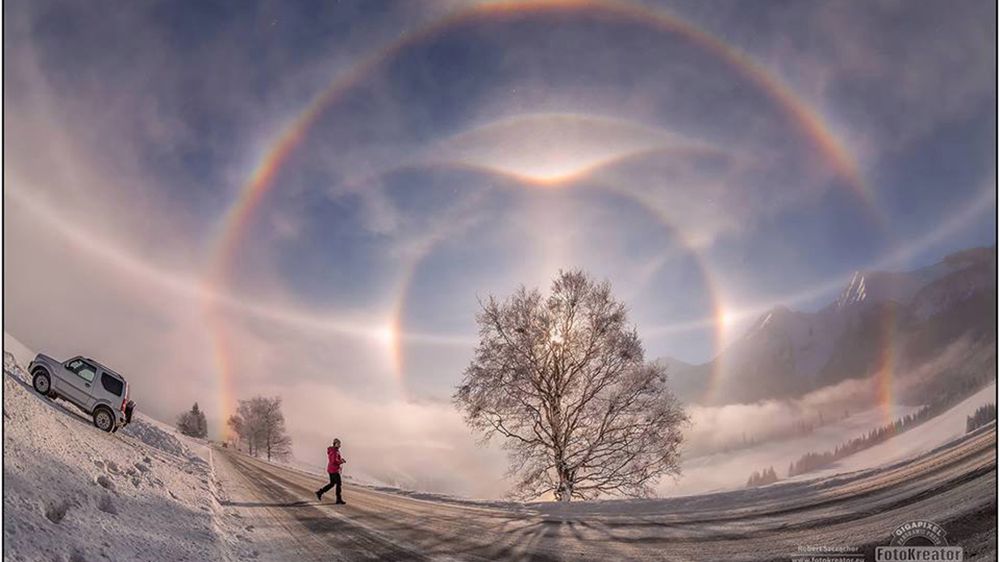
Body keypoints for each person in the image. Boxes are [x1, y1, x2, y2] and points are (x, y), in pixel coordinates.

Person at [315, 438, 346, 504]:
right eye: (338, 444)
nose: (339, 445)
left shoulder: (335, 450)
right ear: (335, 444)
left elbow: (335, 460)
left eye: (339, 444)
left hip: (332, 469)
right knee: (338, 484)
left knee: (332, 484)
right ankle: (338, 499)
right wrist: (341, 461)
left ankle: (320, 492)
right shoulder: (334, 451)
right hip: (333, 470)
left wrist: (340, 460)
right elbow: (333, 461)